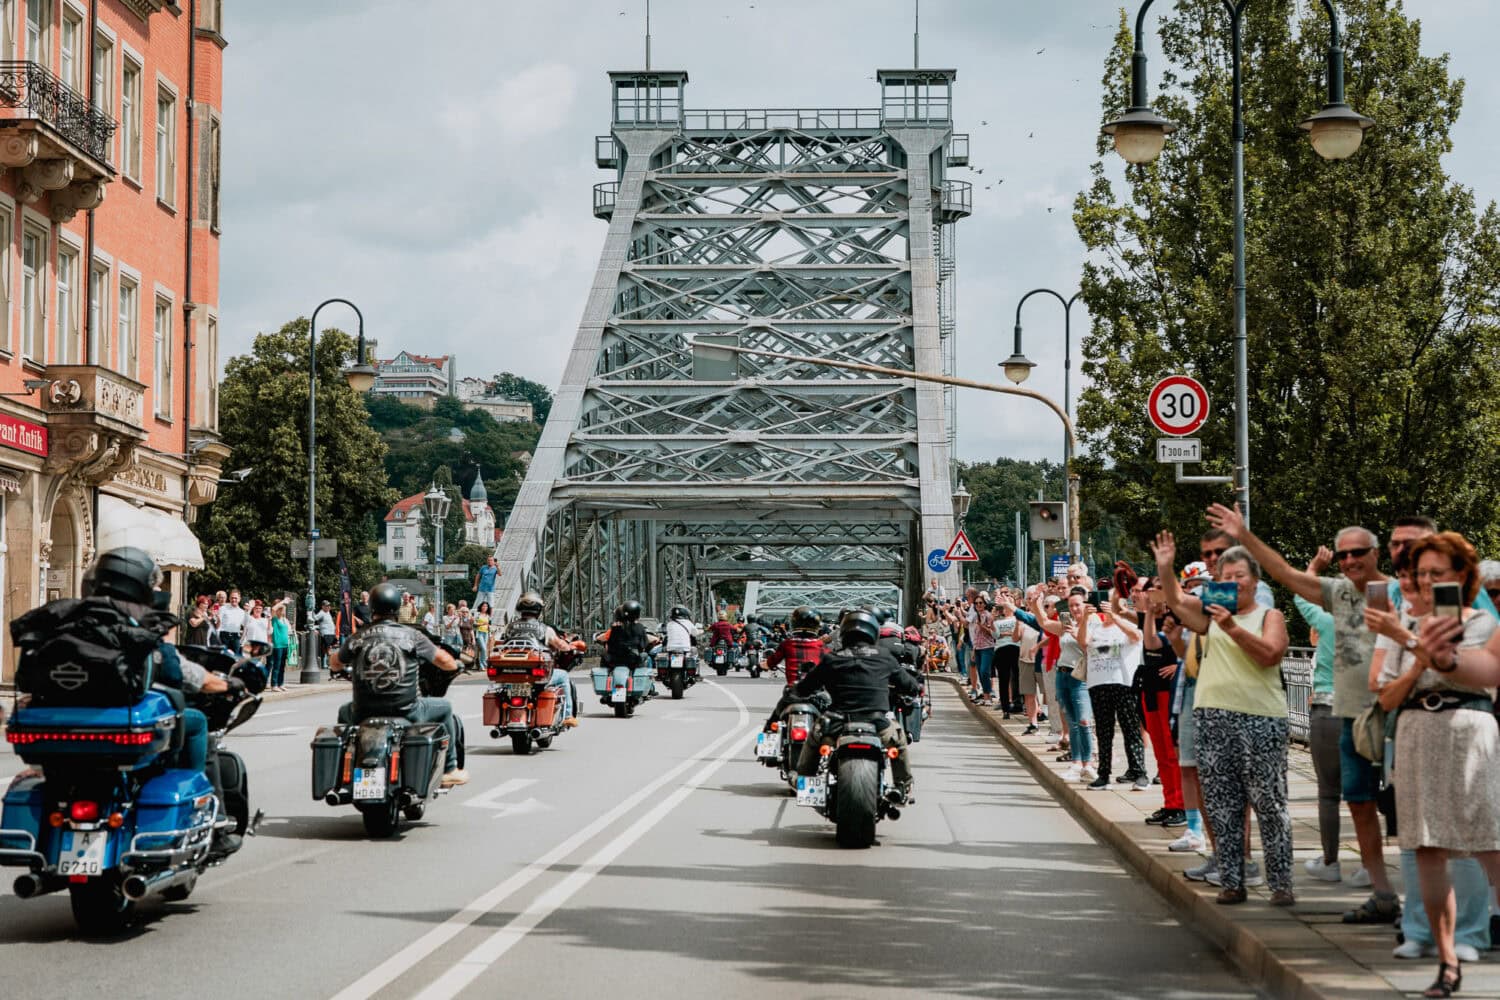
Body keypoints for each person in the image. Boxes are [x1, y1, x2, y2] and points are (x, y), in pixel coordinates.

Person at [1206, 502, 1399, 923]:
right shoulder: (1340, 592)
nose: (1349, 560)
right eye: (1342, 554)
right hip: (1352, 716)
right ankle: (1384, 895)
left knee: (1411, 810)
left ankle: (1443, 903)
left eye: (1357, 552)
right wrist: (1243, 536)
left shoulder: (1400, 591)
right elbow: (1286, 575)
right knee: (1360, 803)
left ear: (1376, 554)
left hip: (1399, 714)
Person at [1371, 533, 1500, 997]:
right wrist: (1407, 651)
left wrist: (1408, 637)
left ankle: (1478, 935)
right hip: (1415, 732)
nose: (1425, 582)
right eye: (1420, 573)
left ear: (1461, 576)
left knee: (1488, 841)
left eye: (1436, 574)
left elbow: (1459, 668)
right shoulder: (1403, 625)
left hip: (1468, 728)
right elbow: (1386, 697)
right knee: (1427, 847)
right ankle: (1447, 963)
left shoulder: (1483, 621)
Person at [1155, 531, 1293, 907]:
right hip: (1212, 717)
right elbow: (1179, 602)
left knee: (1270, 804)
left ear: (1255, 581)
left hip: (1261, 718)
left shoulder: (1269, 615)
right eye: (1225, 576)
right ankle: (1232, 879)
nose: (1231, 583)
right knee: (1220, 802)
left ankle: (1281, 883)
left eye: (1239, 577)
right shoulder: (1209, 617)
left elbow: (1271, 654)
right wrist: (1165, 569)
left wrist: (1231, 626)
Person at [331, 582, 469, 787]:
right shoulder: (412, 636)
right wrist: (455, 664)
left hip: (363, 712)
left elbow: (335, 663)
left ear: (372, 608)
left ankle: (346, 766)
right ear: (396, 608)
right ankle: (450, 768)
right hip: (406, 711)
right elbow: (444, 661)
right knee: (445, 708)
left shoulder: (357, 637)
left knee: (344, 712)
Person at [793, 609, 919, 800]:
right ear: (873, 632)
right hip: (877, 723)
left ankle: (804, 779)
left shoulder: (831, 659)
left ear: (844, 632)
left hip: (837, 722)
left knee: (814, 736)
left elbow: (804, 689)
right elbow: (910, 686)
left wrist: (800, 690)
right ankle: (903, 786)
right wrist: (913, 687)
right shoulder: (884, 656)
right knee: (899, 740)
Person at [1293, 546, 1362, 885]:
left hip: (1327, 709)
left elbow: (1300, 593)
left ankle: (1331, 861)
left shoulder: (1326, 621)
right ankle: (1370, 864)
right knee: (1364, 792)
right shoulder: (1375, 623)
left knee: (1328, 792)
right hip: (1363, 711)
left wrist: (1315, 564)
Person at [1081, 594, 1147, 791]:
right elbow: (1084, 643)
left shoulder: (1128, 625)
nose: (1106, 605)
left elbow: (1137, 637)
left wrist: (1116, 616)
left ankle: (1140, 771)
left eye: (1112, 602)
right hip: (1098, 683)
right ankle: (1103, 774)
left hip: (1123, 684)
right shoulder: (1097, 627)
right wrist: (1085, 619)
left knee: (1131, 729)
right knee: (1103, 731)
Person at [1035, 588, 1097, 784]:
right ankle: (1077, 763)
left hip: (1080, 677)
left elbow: (1087, 646)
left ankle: (1088, 763)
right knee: (1072, 722)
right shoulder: (1066, 624)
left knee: (1084, 721)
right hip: (1063, 674)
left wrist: (1080, 627)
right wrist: (1035, 604)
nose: (1074, 609)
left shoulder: (1093, 623)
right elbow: (1044, 622)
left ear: (1085, 605)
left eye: (1077, 605)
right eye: (1071, 606)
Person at [499, 592, 578, 725]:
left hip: (511, 674)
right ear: (538, 610)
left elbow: (502, 643)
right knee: (563, 676)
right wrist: (570, 646)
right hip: (534, 675)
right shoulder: (544, 629)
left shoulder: (509, 627)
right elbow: (560, 645)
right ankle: (568, 716)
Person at [268, 600, 293, 692]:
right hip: (277, 645)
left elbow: (289, 632)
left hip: (285, 644)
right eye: (281, 609)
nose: (282, 611)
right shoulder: (274, 619)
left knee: (282, 666)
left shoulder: (285, 620)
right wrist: (283, 602)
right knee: (277, 665)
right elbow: (273, 609)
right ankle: (274, 684)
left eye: (283, 609)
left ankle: (280, 683)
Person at [314, 600, 337, 670]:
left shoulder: (327, 612)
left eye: (329, 606)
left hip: (331, 633)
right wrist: (315, 629)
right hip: (326, 633)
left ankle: (326, 664)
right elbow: (314, 618)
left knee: (328, 649)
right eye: (326, 606)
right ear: (323, 606)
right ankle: (326, 664)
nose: (328, 607)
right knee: (327, 649)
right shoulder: (321, 613)